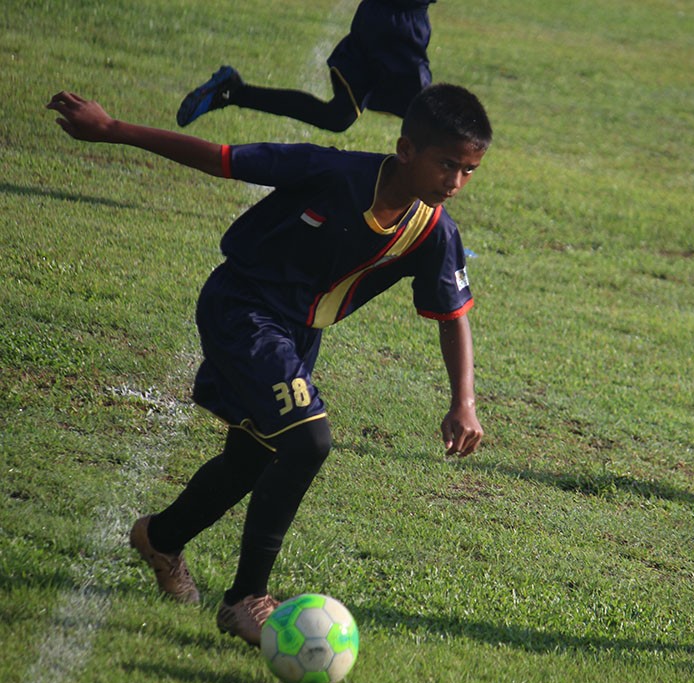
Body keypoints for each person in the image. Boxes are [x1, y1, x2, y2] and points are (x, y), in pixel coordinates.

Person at [47, 82, 491, 646]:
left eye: (469, 170)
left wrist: (464, 402)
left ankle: (160, 537)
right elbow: (220, 160)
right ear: (406, 150)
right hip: (243, 308)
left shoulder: (433, 231)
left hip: (299, 336)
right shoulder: (332, 173)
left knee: (251, 458)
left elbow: (453, 315)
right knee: (308, 441)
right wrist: (111, 130)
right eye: (446, 164)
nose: (455, 182)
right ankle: (245, 599)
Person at [176, 0, 436, 130]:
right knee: (430, 117)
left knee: (339, 116)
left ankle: (232, 91)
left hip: (387, 16)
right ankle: (415, 214)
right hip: (398, 23)